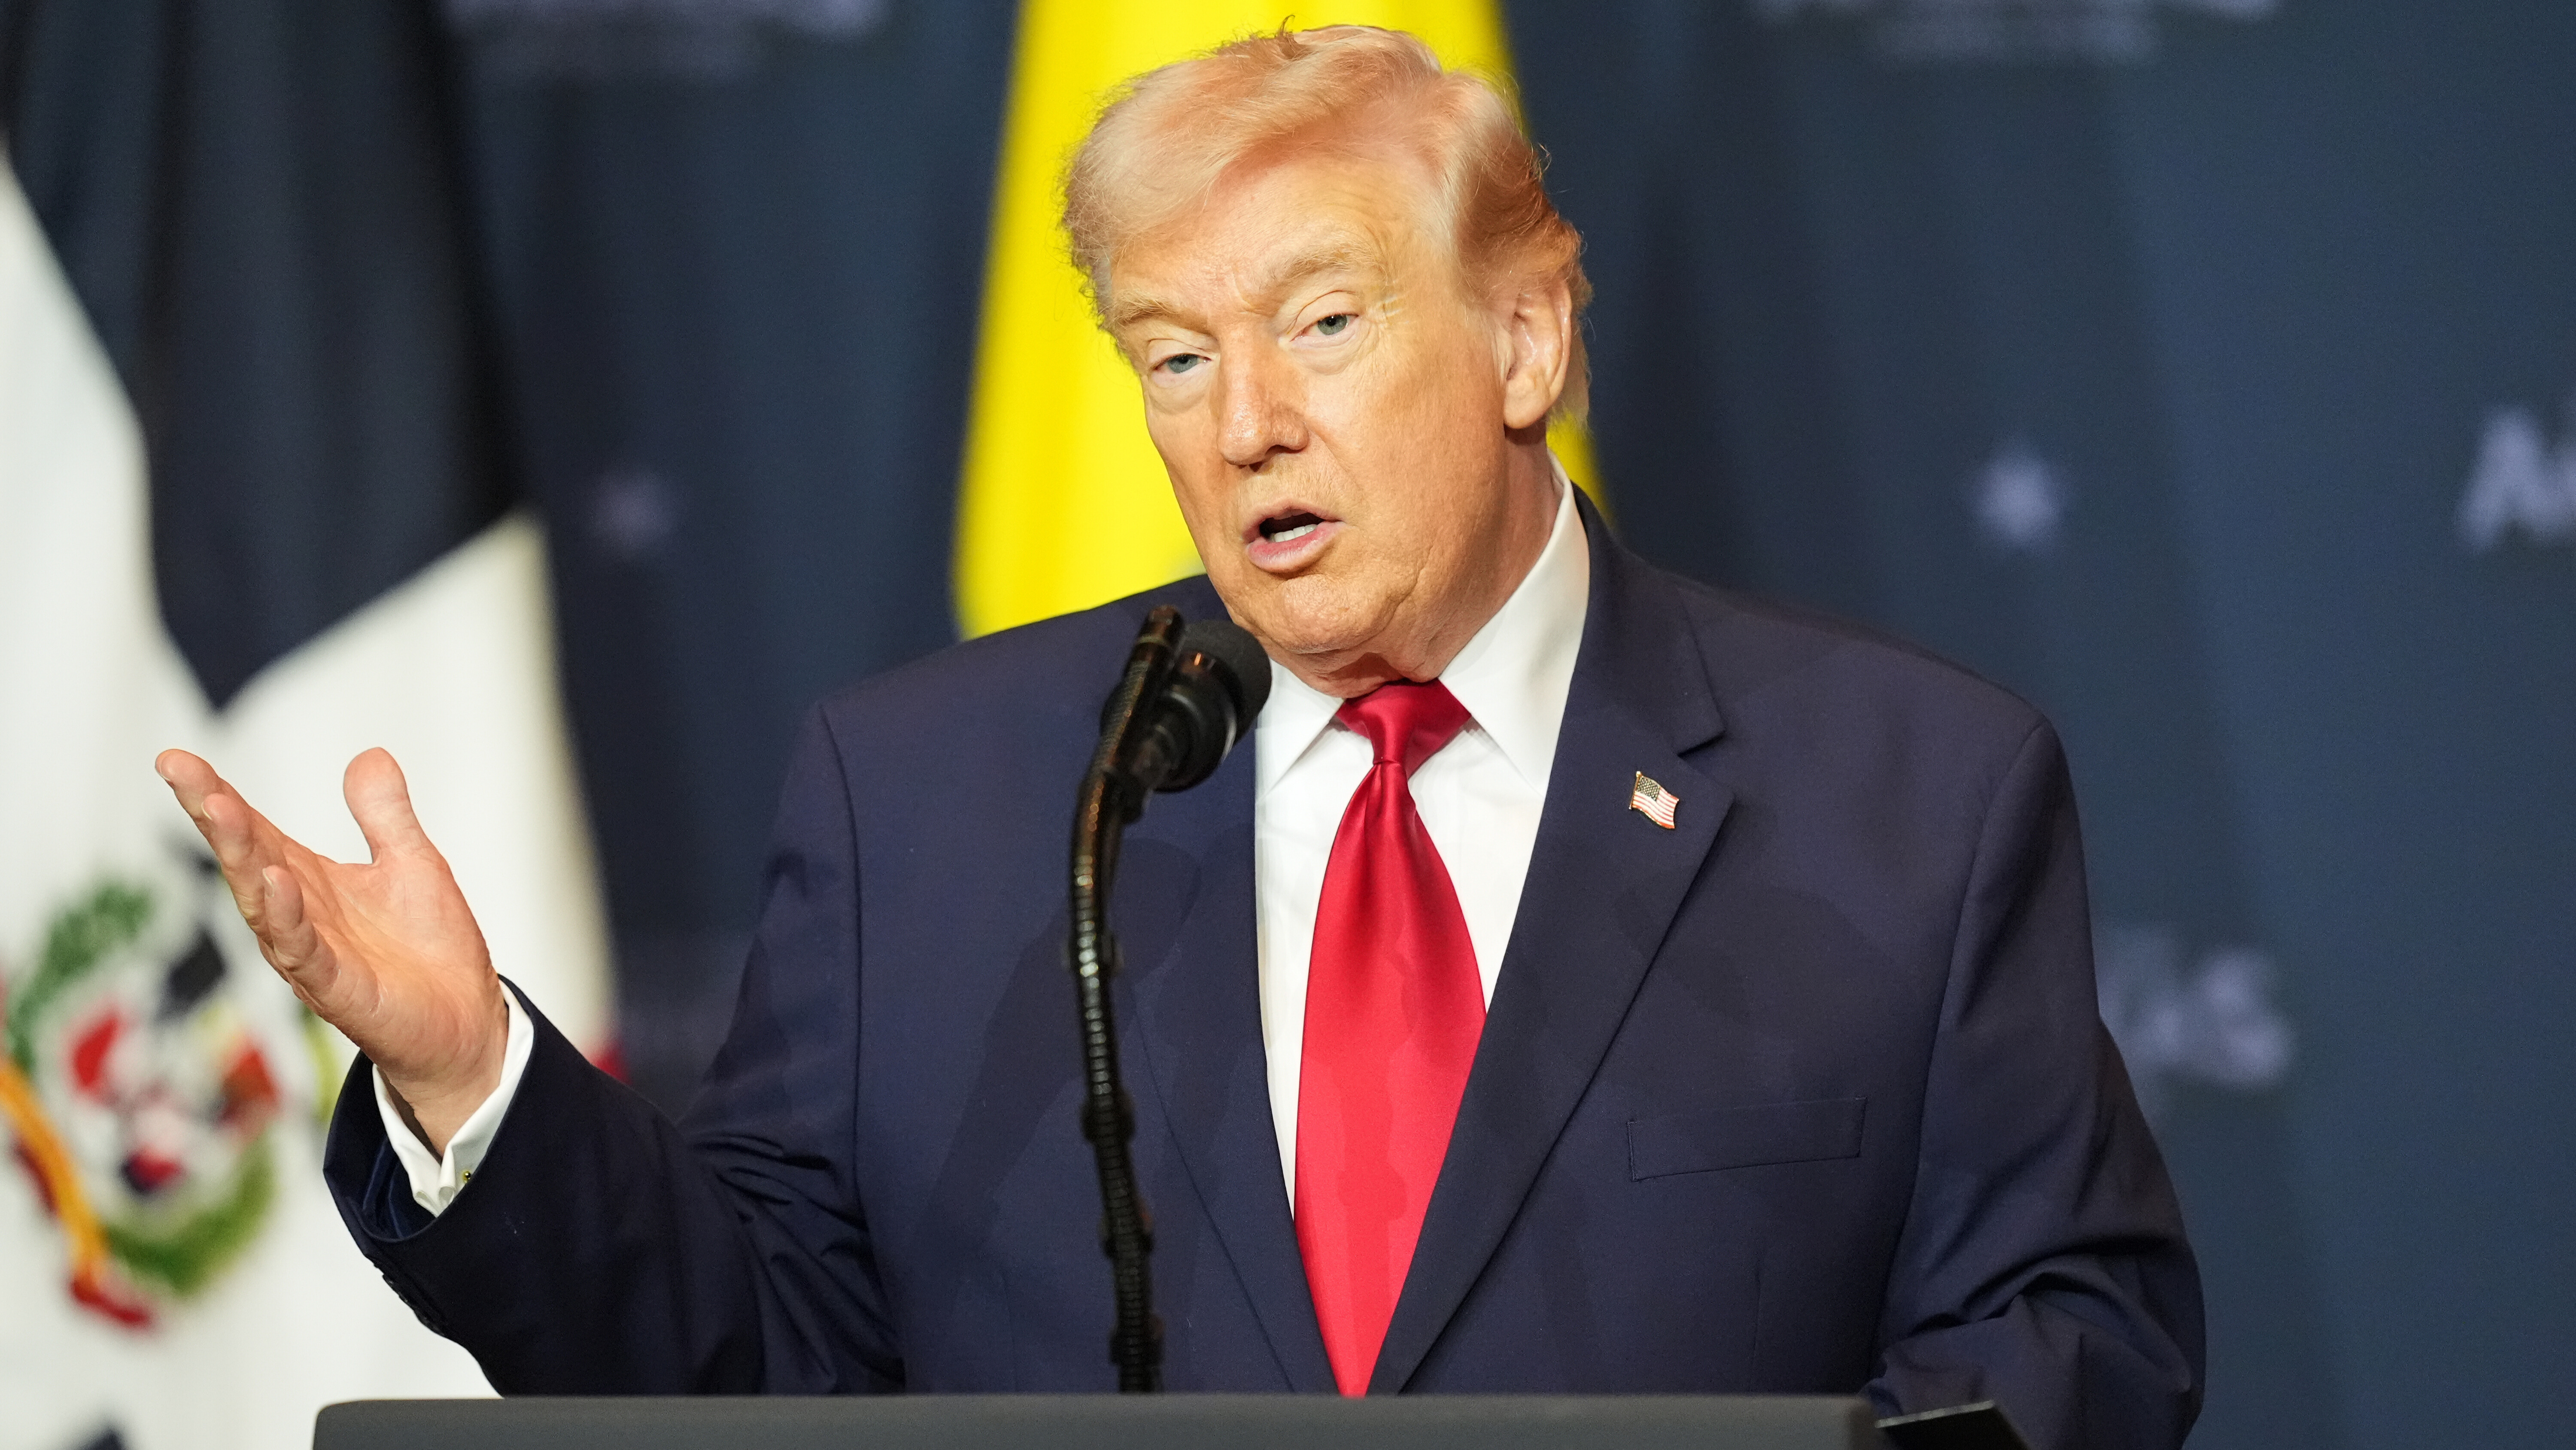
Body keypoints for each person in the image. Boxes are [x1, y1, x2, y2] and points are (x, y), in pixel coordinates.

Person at [156, 26, 2201, 1448]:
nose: (1245, 426)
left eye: (1323, 323)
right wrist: (469, 1074)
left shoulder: (1905, 795)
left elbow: (2075, 1342)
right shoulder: (931, 802)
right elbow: (760, 1369)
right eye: (1175, 354)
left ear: (1524, 336)